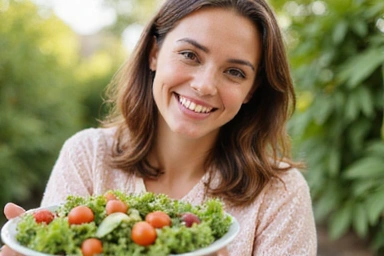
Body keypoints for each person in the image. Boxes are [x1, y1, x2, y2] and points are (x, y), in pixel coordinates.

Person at [1, 0, 317, 255]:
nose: (205, 86)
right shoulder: (87, 156)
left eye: (234, 72)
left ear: (251, 89)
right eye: (190, 55)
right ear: (154, 53)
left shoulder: (280, 193)